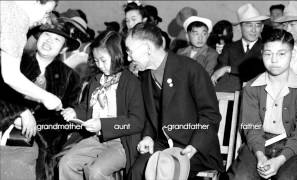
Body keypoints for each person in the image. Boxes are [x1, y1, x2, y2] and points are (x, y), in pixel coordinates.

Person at [125, 23, 223, 180]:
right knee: (137, 172)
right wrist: (148, 137)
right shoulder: (146, 75)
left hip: (195, 148)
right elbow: (151, 117)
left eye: (130, 51)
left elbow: (210, 115)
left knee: (164, 171)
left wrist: (194, 146)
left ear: (147, 49)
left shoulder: (191, 69)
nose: (128, 57)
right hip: (163, 146)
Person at [227, 28, 297, 180]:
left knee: (288, 177)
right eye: (268, 54)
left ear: (292, 54)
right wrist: (260, 155)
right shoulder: (251, 87)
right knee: (241, 176)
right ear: (262, 53)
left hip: (294, 145)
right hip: (258, 143)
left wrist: (280, 159)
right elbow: (250, 127)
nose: (274, 60)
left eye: (281, 54)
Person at [59, 30, 145, 180]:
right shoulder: (96, 80)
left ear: (118, 56)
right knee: (66, 163)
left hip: (122, 143)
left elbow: (136, 122)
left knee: (96, 171)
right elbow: (86, 109)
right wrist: (74, 113)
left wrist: (103, 124)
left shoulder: (132, 83)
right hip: (97, 139)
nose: (99, 65)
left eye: (103, 60)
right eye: (96, 60)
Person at [0, 20, 82, 180]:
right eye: (46, 34)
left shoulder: (70, 76)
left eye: (57, 39)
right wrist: (20, 113)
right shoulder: (13, 63)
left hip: (46, 135)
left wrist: (41, 126)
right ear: (38, 36)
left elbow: (70, 113)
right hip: (6, 123)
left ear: (64, 48)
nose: (49, 41)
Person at [0, 0, 62, 113]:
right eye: (47, 12)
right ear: (35, 2)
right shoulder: (18, 16)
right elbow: (11, 76)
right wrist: (47, 97)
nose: (44, 20)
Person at [211, 3, 269, 92]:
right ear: (239, 28)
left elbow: (261, 73)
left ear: (262, 27)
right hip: (230, 98)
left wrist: (229, 69)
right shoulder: (229, 48)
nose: (254, 30)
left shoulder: (267, 48)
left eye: (257, 25)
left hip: (257, 98)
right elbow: (218, 72)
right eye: (249, 25)